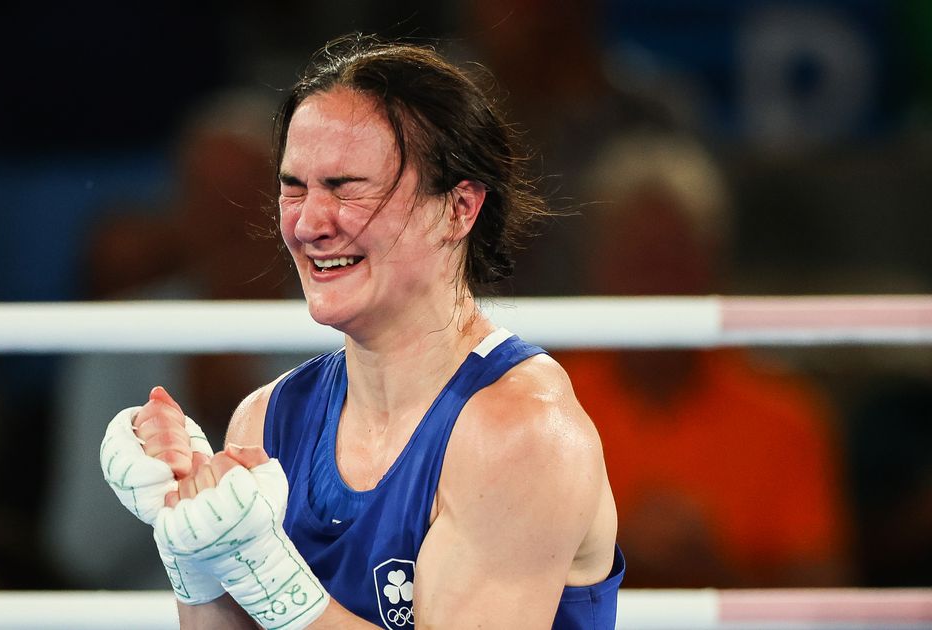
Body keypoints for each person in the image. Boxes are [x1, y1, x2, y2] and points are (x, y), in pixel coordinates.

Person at [100, 35, 622, 628]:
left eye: (347, 188)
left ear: (459, 209)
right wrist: (191, 540)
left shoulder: (521, 434)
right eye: (293, 187)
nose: (309, 223)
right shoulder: (266, 421)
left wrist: (261, 566)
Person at [557, 132, 848, 587]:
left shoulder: (787, 419)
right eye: (638, 257)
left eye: (674, 256)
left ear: (714, 265)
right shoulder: (542, 408)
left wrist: (713, 571)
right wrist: (607, 552)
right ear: (598, 265)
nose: (655, 280)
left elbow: (823, 600)